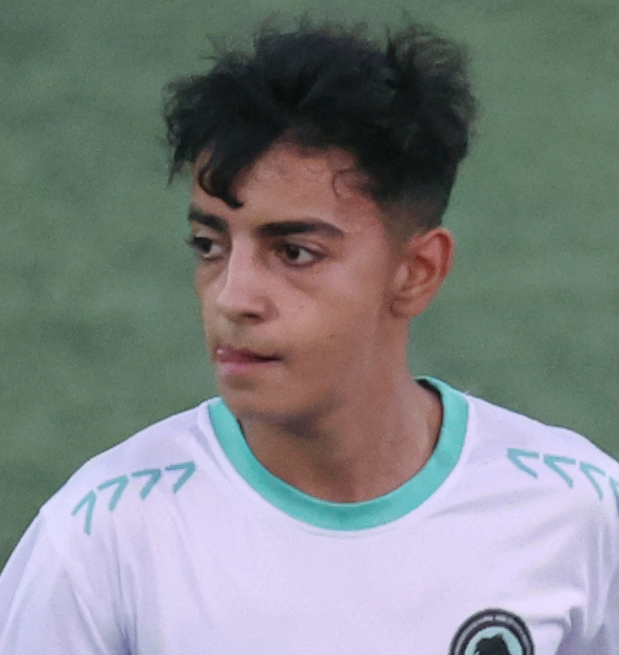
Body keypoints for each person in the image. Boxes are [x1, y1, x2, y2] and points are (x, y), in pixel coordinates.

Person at [0, 20, 617, 655]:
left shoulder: (578, 513)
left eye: (294, 252)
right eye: (209, 246)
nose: (233, 297)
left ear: (417, 271)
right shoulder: (101, 540)